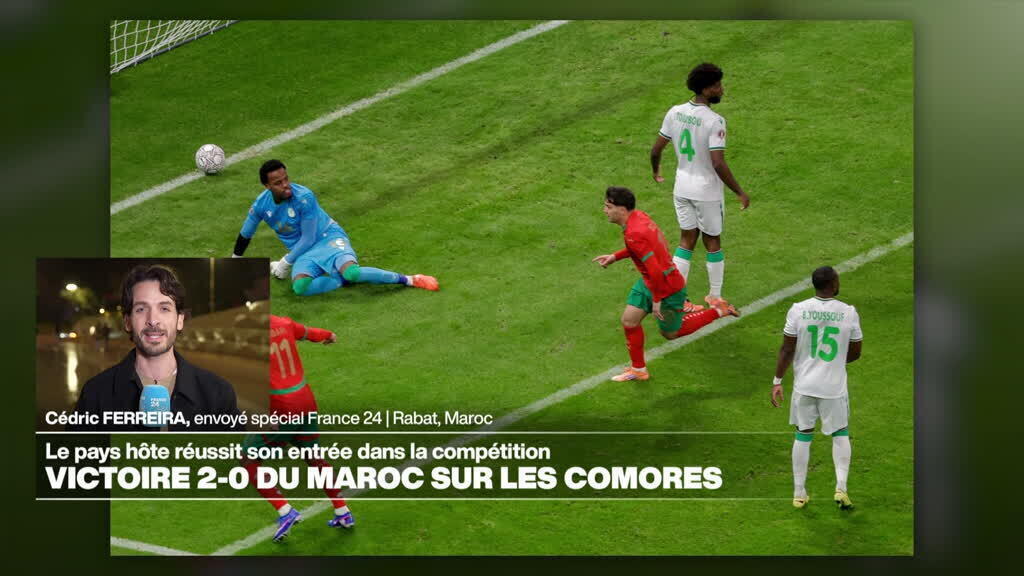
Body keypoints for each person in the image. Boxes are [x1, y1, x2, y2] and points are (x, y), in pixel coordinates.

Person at [592, 186, 739, 382]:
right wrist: (615, 256)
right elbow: (649, 248)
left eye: (608, 207)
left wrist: (657, 300)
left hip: (666, 287)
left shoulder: (634, 233)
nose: (605, 211)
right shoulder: (639, 218)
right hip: (650, 282)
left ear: (622, 209)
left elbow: (654, 270)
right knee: (629, 321)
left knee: (671, 333)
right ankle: (638, 370)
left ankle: (719, 311)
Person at [232, 159, 439, 296]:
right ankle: (340, 280)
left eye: (286, 179)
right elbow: (245, 234)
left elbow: (309, 237)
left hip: (327, 237)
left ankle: (410, 279)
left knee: (353, 273)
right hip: (303, 252)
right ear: (267, 186)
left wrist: (286, 262)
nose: (286, 185)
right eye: (278, 183)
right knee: (300, 288)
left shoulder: (304, 197)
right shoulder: (261, 205)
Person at [71, 264, 240, 431]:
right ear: (127, 322)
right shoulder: (95, 394)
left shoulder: (218, 394)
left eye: (164, 308)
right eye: (141, 309)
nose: (153, 320)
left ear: (180, 320)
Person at [241, 315, 353, 543]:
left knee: (248, 460)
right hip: (305, 399)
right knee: (314, 457)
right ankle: (343, 512)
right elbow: (310, 333)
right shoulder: (283, 323)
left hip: (281, 407)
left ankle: (285, 511)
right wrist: (329, 335)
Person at [650, 62, 751, 310]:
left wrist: (656, 170)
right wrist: (739, 191)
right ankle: (714, 296)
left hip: (681, 187)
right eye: (717, 86)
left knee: (686, 240)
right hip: (706, 191)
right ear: (705, 89)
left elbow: (656, 149)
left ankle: (678, 298)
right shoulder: (715, 121)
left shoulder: (675, 112)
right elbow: (717, 162)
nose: (721, 89)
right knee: (712, 241)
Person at [771, 266, 863, 510]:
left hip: (804, 386)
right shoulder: (848, 312)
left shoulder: (798, 310)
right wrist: (834, 362)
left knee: (803, 434)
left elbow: (787, 349)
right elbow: (856, 352)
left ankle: (799, 493)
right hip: (833, 387)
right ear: (833, 284)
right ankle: (841, 488)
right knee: (840, 433)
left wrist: (777, 381)